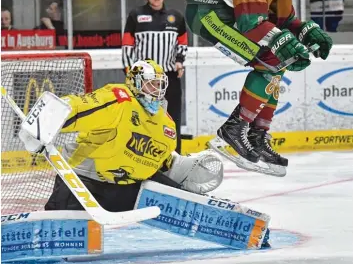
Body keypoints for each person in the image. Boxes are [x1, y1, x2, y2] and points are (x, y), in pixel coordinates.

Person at [185, 0, 333, 169]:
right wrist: (282, 40)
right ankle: (234, 130)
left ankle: (257, 134)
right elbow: (251, 21)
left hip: (225, 11)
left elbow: (283, 19)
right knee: (274, 58)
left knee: (280, 59)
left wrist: (305, 31)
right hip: (208, 10)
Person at [41, 59, 222, 212]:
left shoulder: (166, 123)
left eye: (159, 84)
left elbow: (162, 160)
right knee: (62, 232)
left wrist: (180, 172)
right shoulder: (119, 100)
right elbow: (81, 105)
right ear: (135, 81)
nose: (156, 90)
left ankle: (202, 212)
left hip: (125, 189)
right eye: (151, 83)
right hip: (83, 182)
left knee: (175, 199)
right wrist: (46, 118)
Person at [122, 0, 188, 154]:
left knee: (173, 118)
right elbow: (127, 46)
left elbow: (182, 42)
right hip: (144, 80)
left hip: (169, 78)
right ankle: (144, 155)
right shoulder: (136, 15)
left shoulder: (176, 17)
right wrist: (129, 73)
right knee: (144, 118)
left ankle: (175, 155)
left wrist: (180, 61)